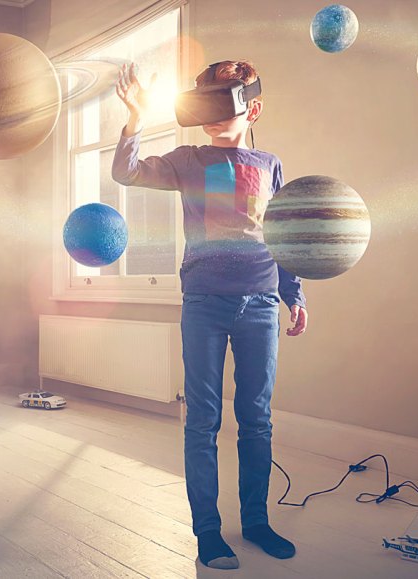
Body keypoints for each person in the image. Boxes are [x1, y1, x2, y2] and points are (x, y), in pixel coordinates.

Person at [112, 60, 308, 570]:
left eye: (227, 103)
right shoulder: (187, 159)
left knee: (257, 419)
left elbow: (284, 235)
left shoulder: (270, 164)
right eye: (207, 104)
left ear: (253, 108)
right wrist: (135, 118)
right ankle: (207, 532)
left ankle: (257, 522)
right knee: (203, 419)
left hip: (261, 303)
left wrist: (295, 295)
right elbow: (126, 172)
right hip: (203, 301)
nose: (216, 115)